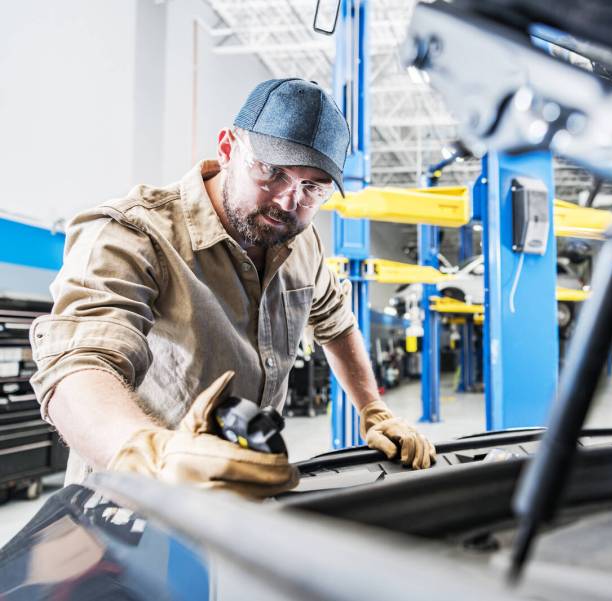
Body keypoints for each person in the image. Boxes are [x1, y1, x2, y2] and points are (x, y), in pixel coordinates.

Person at [29, 78, 436, 497]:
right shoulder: (134, 234)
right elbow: (79, 365)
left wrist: (374, 410)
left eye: (313, 187)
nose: (288, 201)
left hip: (243, 496)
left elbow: (337, 323)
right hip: (131, 503)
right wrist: (148, 453)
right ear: (227, 147)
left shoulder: (302, 244)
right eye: (272, 171)